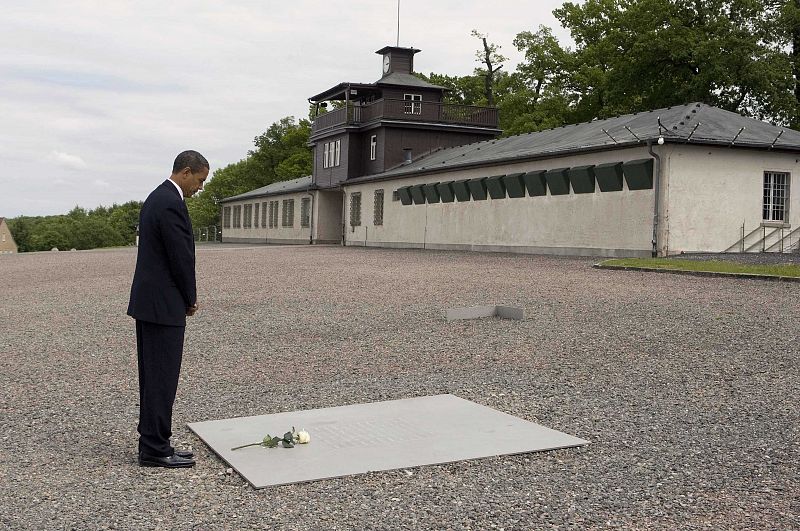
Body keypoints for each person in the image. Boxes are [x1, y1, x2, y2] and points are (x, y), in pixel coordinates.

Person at [127, 150, 209, 468]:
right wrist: (190, 298)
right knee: (162, 378)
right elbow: (181, 257)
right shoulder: (171, 203)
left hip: (150, 304)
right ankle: (155, 449)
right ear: (185, 172)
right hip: (164, 306)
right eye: (200, 180)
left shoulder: (155, 198)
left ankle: (153, 441)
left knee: (152, 378)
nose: (200, 187)